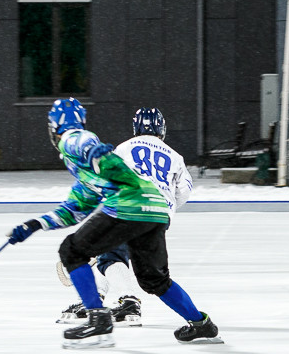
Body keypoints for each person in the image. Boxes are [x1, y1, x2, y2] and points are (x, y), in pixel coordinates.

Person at [7, 98, 220, 347]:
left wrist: (94, 152)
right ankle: (200, 323)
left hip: (128, 204)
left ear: (53, 127)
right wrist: (36, 224)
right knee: (154, 280)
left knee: (72, 251)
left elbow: (82, 140)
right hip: (158, 209)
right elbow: (76, 207)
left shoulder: (72, 140)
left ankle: (99, 318)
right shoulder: (171, 155)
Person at [56, 108, 194, 328]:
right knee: (139, 269)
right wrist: (163, 206)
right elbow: (184, 191)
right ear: (162, 128)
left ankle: (126, 301)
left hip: (128, 208)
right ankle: (96, 301)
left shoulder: (124, 147)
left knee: (110, 257)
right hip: (158, 215)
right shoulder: (174, 155)